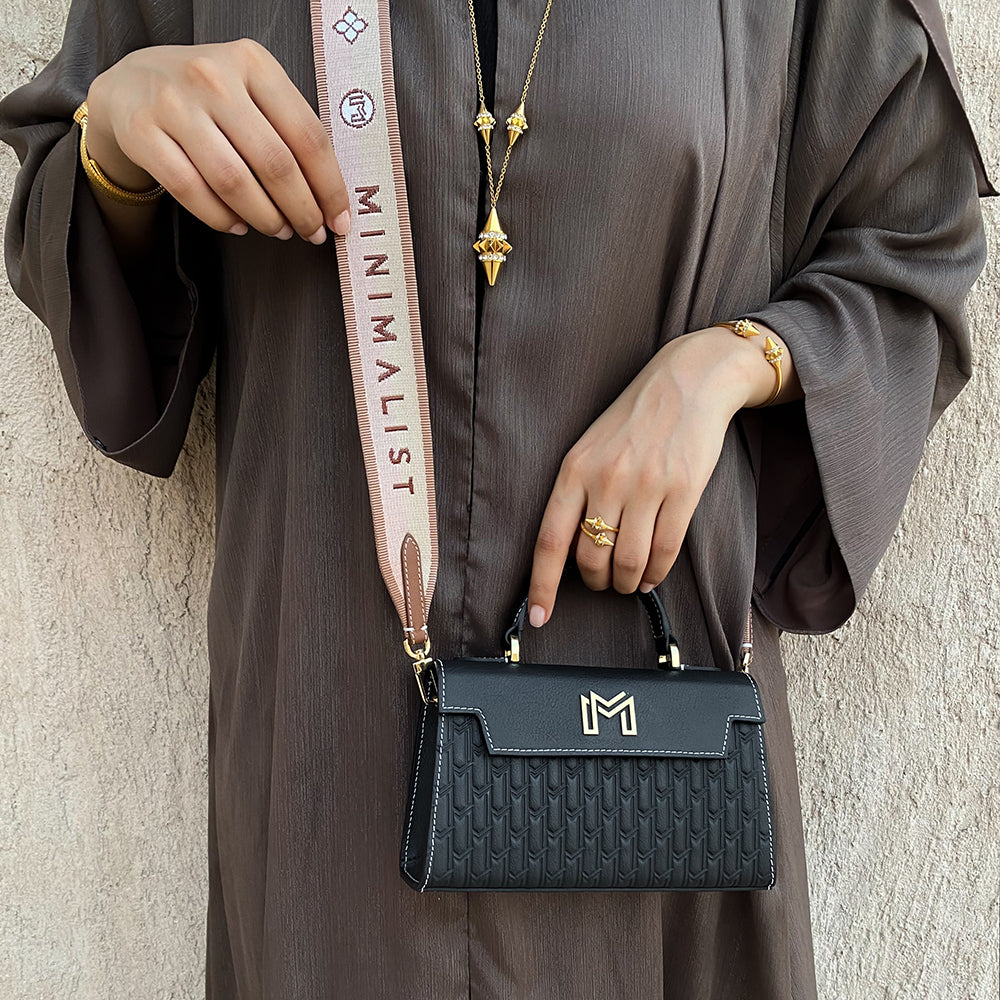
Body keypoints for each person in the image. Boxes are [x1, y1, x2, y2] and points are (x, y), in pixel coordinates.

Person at [0, 0, 993, 996]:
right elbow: (89, 249)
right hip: (331, 731)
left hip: (657, 742)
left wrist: (736, 365)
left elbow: (913, 245)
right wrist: (115, 136)